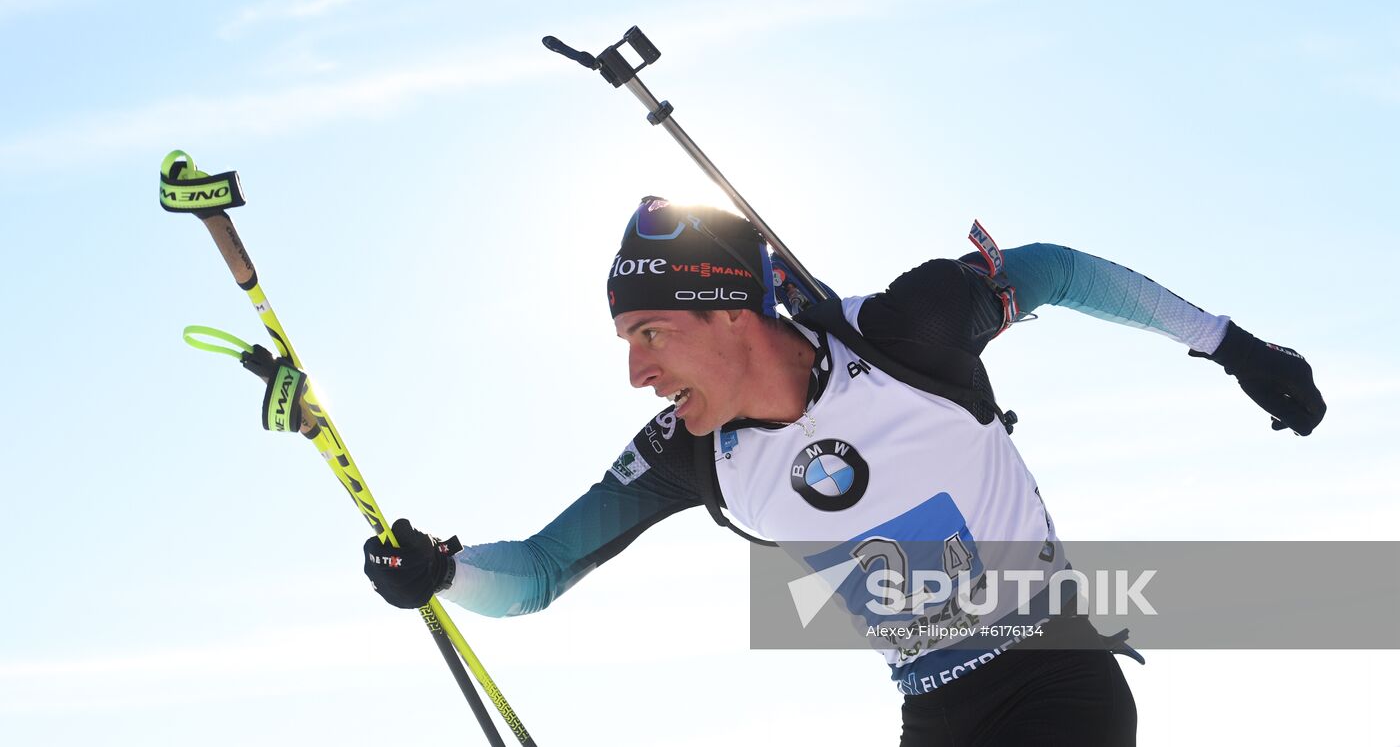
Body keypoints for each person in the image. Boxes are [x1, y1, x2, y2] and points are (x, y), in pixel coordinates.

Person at [364, 197, 1325, 746]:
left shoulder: (909, 331)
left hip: (1055, 681)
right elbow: (536, 572)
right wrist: (441, 573)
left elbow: (1059, 271)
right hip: (934, 713)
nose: (636, 372)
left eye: (649, 333)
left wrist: (1233, 347)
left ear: (730, 313)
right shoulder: (692, 453)